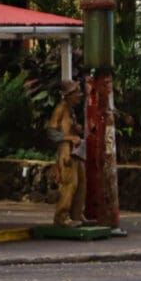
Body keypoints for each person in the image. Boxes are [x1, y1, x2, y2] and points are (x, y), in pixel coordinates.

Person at [48, 79, 89, 227]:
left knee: (81, 184)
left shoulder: (70, 110)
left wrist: (75, 129)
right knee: (69, 185)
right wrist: (69, 137)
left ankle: (77, 214)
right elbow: (52, 132)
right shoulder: (60, 109)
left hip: (75, 152)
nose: (79, 94)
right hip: (67, 153)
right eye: (76, 92)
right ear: (67, 95)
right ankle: (61, 217)